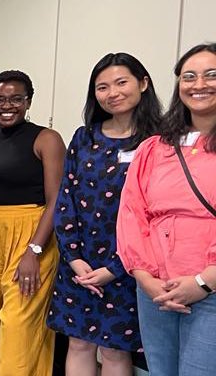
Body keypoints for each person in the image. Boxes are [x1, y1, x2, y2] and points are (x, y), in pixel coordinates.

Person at [46, 53, 161, 375]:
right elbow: (65, 198)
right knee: (78, 343)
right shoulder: (84, 138)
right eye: (102, 87)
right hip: (79, 262)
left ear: (143, 83)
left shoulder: (158, 142)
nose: (113, 93)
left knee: (113, 350)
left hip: (129, 264)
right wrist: (73, 258)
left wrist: (116, 267)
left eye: (121, 82)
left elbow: (157, 213)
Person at [117, 43, 216, 375]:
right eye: (189, 76)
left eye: (211, 75)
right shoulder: (154, 148)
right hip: (155, 290)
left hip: (210, 289)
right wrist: (145, 278)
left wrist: (202, 282)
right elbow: (132, 214)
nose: (199, 84)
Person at [0, 70, 65, 376]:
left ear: (28, 101)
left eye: (15, 99)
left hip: (32, 236)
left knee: (18, 326)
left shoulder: (46, 139)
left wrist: (33, 251)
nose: (6, 106)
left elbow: (56, 200)